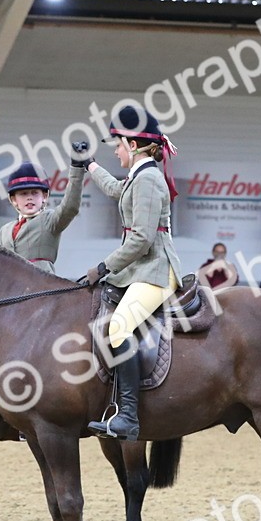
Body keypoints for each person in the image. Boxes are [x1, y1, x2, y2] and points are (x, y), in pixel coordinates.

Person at [83, 106, 183, 442]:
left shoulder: (150, 179)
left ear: (134, 145)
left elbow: (141, 238)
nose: (114, 149)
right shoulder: (139, 176)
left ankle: (128, 415)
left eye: (117, 144)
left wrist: (103, 266)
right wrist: (90, 164)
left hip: (155, 269)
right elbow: (115, 189)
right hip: (139, 268)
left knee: (120, 326)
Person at [0, 147, 86, 274]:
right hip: (11, 291)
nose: (29, 198)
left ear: (44, 196)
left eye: (34, 193)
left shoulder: (49, 221)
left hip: (42, 289)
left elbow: (70, 207)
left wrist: (77, 168)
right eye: (23, 193)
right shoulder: (4, 231)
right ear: (13, 199)